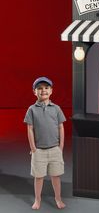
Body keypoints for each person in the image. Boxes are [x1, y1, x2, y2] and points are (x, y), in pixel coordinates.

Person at [24, 77, 66, 210]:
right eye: (40, 88)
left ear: (51, 91)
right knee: (39, 177)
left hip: (55, 149)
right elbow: (30, 129)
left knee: (56, 176)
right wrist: (33, 148)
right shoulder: (32, 109)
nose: (43, 91)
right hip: (39, 151)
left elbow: (61, 127)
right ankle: (38, 199)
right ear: (34, 92)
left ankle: (58, 198)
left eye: (46, 88)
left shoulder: (56, 108)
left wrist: (61, 146)